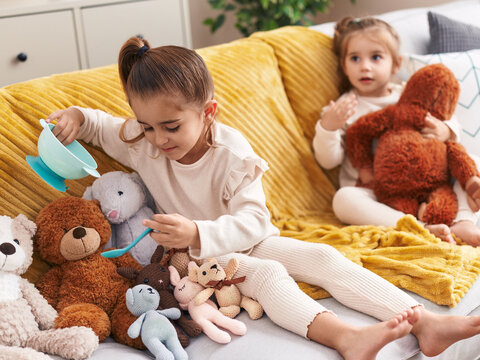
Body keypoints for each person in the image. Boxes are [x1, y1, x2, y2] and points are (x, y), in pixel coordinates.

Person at [46, 36, 480, 360]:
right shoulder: (142, 138)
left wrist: (198, 228)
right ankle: (344, 337)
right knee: (267, 273)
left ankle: (424, 322)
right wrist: (75, 118)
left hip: (242, 236)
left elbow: (254, 221)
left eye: (171, 127)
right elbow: (101, 125)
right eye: (147, 125)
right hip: (196, 261)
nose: (158, 139)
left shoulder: (233, 154)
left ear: (208, 112)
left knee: (325, 259)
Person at [313, 16, 480, 246]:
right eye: (355, 58)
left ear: (396, 64)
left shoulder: (409, 93)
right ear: (344, 66)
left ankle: (463, 221)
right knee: (343, 199)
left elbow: (447, 116)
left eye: (376, 57)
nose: (365, 66)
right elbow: (328, 161)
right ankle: (418, 228)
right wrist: (328, 127)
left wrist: (446, 130)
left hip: (431, 184)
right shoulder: (344, 107)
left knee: (473, 162)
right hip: (376, 193)